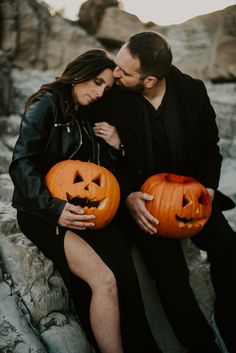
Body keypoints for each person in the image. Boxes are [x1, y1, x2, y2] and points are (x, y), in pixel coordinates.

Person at [9, 49, 163, 353]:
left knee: (125, 272)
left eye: (106, 86)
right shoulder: (46, 105)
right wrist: (54, 209)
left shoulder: (84, 112)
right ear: (79, 73)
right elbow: (20, 165)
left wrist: (118, 146)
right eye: (96, 82)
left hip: (84, 209)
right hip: (44, 211)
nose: (100, 92)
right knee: (104, 280)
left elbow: (97, 168)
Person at [91, 32, 236, 353]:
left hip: (190, 194)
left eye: (125, 72)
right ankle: (202, 346)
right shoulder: (113, 98)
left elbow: (210, 149)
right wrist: (127, 196)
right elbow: (102, 161)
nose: (115, 74)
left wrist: (209, 189)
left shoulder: (193, 94)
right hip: (144, 200)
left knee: (229, 247)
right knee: (171, 278)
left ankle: (228, 318)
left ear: (150, 80)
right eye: (118, 64)